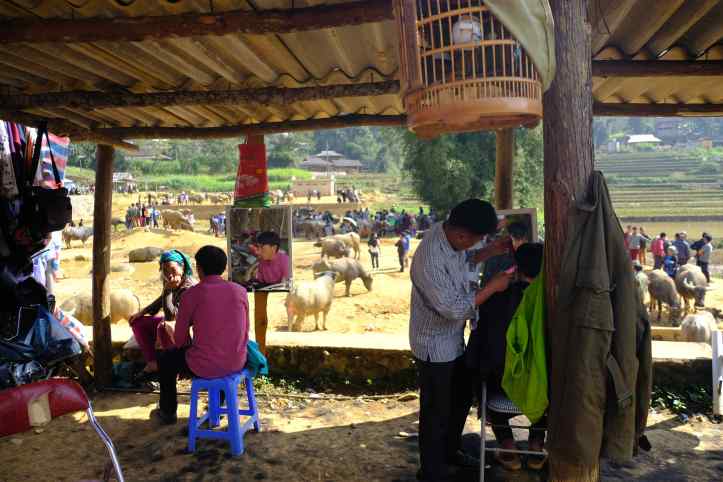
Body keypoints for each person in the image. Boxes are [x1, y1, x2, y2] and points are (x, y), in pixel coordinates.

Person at [409, 198, 514, 482]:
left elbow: (464, 260)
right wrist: (492, 287)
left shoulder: (452, 237)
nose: (478, 244)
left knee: (459, 399)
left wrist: (489, 251)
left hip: (453, 339)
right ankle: (431, 472)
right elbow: (454, 309)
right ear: (461, 235)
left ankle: (450, 450)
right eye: (478, 239)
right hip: (433, 344)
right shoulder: (430, 259)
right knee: (436, 410)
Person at [466, 242, 546, 471]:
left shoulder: (495, 299)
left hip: (501, 393)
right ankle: (536, 446)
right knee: (546, 383)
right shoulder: (553, 302)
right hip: (543, 395)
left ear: (516, 267)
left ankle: (508, 447)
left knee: (488, 380)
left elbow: (479, 349)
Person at [152, 246, 249, 425]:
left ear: (199, 268)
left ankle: (167, 412)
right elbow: (244, 330)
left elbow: (180, 340)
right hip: (238, 360)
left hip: (206, 365)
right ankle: (218, 406)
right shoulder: (240, 291)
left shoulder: (192, 294)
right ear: (224, 267)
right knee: (218, 351)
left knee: (166, 360)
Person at [129, 250, 196, 376]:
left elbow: (171, 316)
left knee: (164, 326)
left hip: (186, 332)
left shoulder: (189, 288)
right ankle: (152, 362)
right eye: (165, 271)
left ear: (182, 267)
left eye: (173, 270)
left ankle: (173, 368)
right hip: (173, 325)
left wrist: (167, 290)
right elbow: (161, 301)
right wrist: (142, 312)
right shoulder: (171, 282)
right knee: (137, 322)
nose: (169, 274)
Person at [251, 231, 290, 354]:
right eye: (258, 248)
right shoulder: (262, 262)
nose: (259, 251)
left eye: (262, 248)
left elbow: (285, 282)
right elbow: (260, 281)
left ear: (273, 248)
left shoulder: (285, 260)